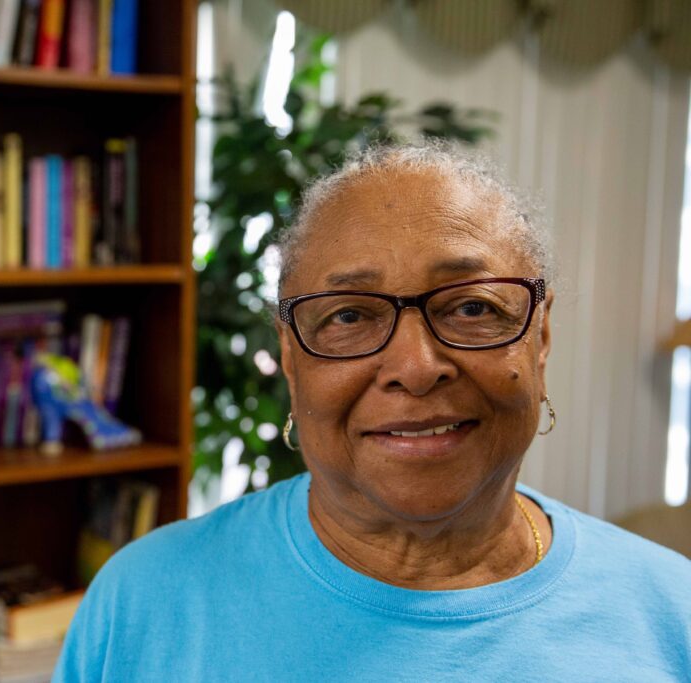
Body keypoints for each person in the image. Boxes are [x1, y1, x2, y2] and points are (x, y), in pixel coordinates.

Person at [53, 142, 691, 681]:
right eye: (349, 316)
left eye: (471, 308)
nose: (416, 367)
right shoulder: (144, 601)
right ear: (291, 357)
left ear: (540, 335)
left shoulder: (671, 615)